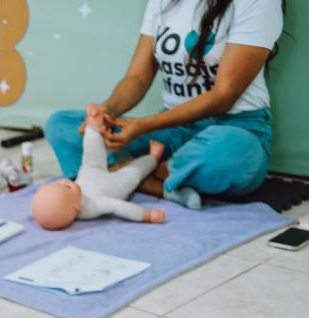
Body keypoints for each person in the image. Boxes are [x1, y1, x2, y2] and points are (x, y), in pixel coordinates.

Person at [45, 0, 285, 210]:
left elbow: (224, 95)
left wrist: (141, 126)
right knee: (62, 125)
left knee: (232, 152)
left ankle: (127, 174)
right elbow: (137, 78)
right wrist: (106, 112)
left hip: (235, 126)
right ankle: (159, 181)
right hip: (171, 130)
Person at [33, 113, 167, 230]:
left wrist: (92, 130)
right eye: (68, 187)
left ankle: (93, 127)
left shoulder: (72, 196)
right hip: (114, 185)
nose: (65, 181)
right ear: (77, 207)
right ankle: (153, 157)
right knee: (134, 173)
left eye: (59, 183)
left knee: (90, 156)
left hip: (90, 175)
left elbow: (88, 163)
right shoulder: (94, 206)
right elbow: (120, 207)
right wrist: (147, 215)